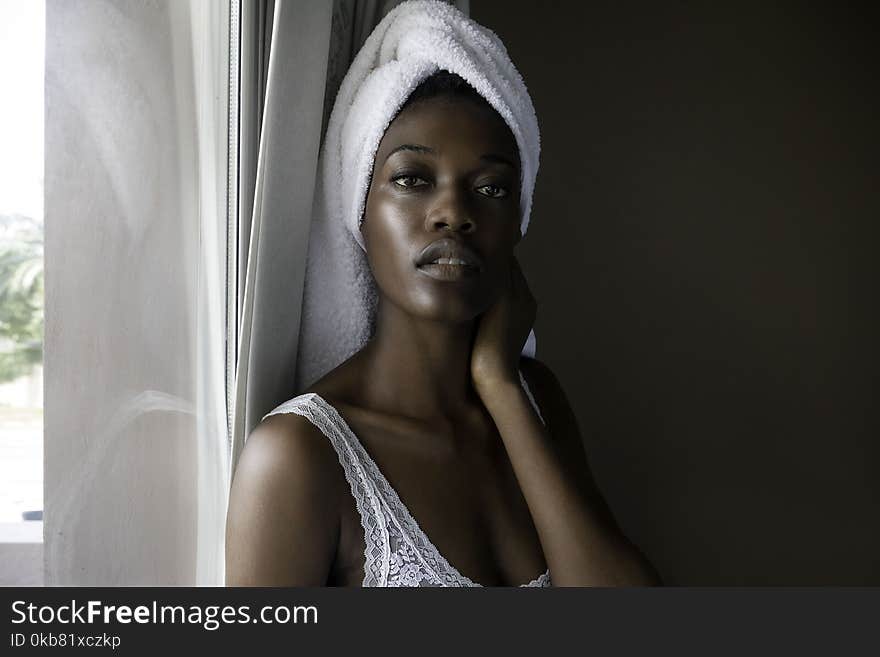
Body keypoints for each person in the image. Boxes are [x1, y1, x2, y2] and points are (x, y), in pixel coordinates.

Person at [226, 2, 659, 587]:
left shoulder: (538, 403)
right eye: (412, 179)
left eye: (491, 187)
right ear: (359, 208)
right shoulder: (298, 458)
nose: (454, 213)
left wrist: (501, 386)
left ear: (519, 221)